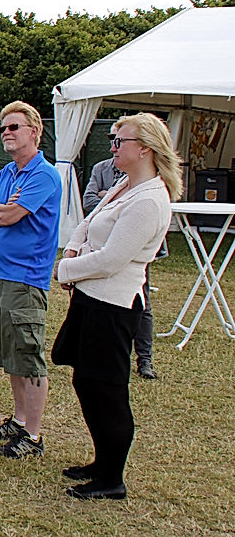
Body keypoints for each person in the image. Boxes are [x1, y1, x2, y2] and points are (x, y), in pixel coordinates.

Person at [53, 112, 179, 500]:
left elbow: (112, 259)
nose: (113, 146)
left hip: (114, 305)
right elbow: (89, 223)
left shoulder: (151, 200)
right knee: (86, 379)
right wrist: (74, 245)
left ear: (144, 149)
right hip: (92, 299)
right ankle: (102, 460)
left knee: (107, 388)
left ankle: (112, 478)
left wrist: (66, 268)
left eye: (119, 140)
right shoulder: (124, 186)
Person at [0, 102, 62, 458]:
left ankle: (33, 435)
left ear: (34, 131)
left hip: (26, 279)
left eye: (14, 127)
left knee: (28, 355)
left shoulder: (44, 175)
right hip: (1, 275)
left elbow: (10, 215)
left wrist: (1, 211)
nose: (7, 133)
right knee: (11, 355)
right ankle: (19, 420)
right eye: (3, 128)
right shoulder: (9, 173)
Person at [82, 127, 159, 380]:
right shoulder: (101, 169)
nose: (113, 147)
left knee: (140, 301)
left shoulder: (148, 187)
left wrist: (112, 206)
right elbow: (90, 202)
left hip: (129, 248)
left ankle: (144, 359)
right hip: (102, 246)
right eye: (111, 140)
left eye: (119, 141)